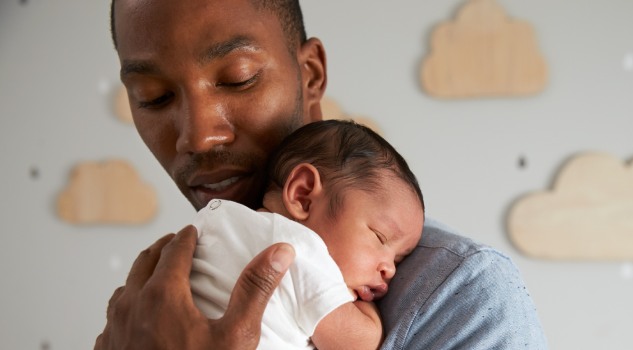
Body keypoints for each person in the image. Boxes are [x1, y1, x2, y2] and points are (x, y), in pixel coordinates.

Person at [96, 0, 549, 349]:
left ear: (310, 74)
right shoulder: (155, 294)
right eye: (153, 97)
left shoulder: (462, 296)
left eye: (238, 78)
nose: (197, 136)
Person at [190, 120, 425, 349]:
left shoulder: (216, 220)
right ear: (303, 196)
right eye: (380, 236)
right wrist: (366, 310)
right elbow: (360, 344)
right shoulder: (300, 249)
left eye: (398, 260)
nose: (391, 270)